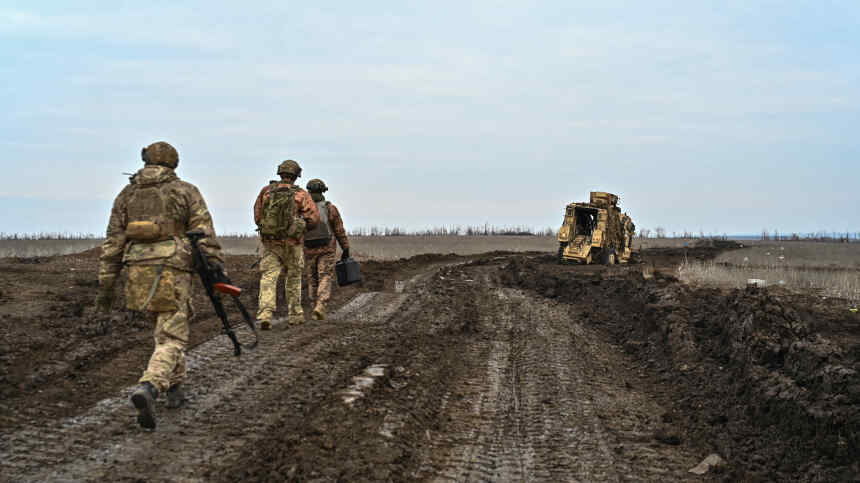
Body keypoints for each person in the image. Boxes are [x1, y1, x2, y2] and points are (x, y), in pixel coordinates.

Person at [96, 141, 224, 429]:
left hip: (136, 270)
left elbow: (113, 242)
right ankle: (150, 386)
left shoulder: (127, 194)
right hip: (172, 268)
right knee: (172, 337)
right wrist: (215, 267)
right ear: (173, 162)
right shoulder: (185, 190)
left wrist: (106, 285)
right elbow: (203, 232)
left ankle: (175, 390)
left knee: (164, 329)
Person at [253, 160, 320, 330]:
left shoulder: (266, 191)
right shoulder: (301, 194)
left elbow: (257, 216)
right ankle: (295, 314)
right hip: (293, 244)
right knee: (294, 278)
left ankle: (265, 314)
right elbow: (314, 219)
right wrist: (300, 227)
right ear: (296, 175)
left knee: (268, 277)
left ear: (280, 173)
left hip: (270, 243)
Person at [302, 178, 350, 320]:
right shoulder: (330, 208)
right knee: (325, 276)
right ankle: (320, 306)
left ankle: (313, 307)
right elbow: (339, 230)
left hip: (308, 249)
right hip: (327, 248)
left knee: (312, 279)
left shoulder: (303, 209)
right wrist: (345, 248)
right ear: (323, 191)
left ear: (309, 191)